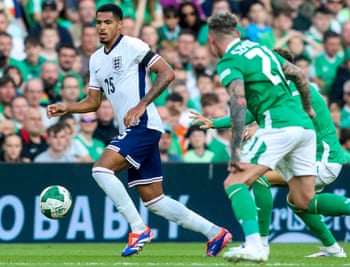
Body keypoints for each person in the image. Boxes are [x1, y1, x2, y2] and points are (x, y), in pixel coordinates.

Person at [206, 12, 350, 263]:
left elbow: (240, 101)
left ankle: (257, 243)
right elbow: (299, 74)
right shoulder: (263, 51)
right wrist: (307, 107)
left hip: (296, 136)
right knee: (302, 200)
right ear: (238, 34)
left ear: (211, 40)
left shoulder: (230, 61)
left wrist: (234, 151)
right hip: (304, 130)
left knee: (236, 181)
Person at [46, 4, 231, 258]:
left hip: (143, 125)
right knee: (155, 201)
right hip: (133, 129)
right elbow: (93, 102)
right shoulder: (96, 58)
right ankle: (215, 233)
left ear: (120, 24)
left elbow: (167, 72)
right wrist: (67, 108)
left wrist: (142, 104)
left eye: (108, 22)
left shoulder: (133, 45)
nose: (102, 27)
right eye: (98, 22)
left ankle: (138, 229)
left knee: (101, 169)